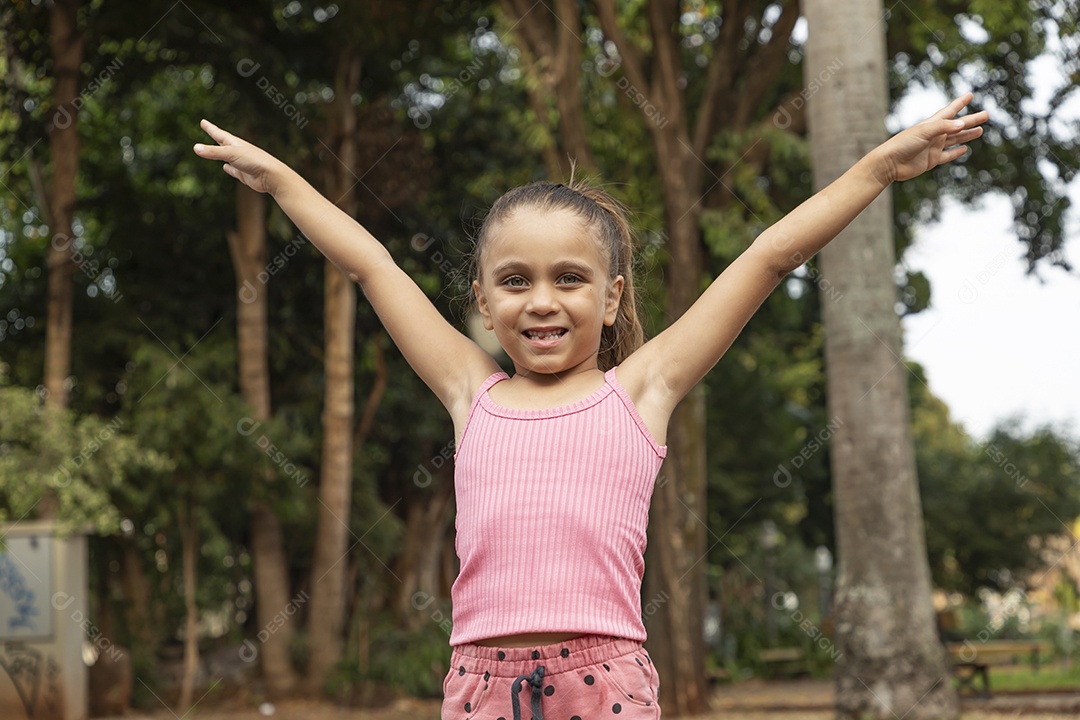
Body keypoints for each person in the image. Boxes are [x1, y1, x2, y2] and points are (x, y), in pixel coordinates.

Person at [194, 93, 987, 719]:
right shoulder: (472, 391)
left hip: (604, 683)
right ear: (481, 297)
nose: (542, 301)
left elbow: (769, 256)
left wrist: (878, 170)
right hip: (478, 683)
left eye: (569, 279)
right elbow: (371, 265)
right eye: (515, 281)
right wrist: (285, 181)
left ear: (611, 299)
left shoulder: (642, 390)